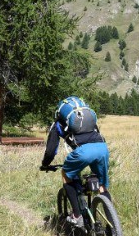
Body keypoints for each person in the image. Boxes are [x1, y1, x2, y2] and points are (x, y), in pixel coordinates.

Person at [40, 96, 109, 228]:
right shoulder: (88, 120)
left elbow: (50, 150)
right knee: (102, 186)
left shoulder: (59, 123)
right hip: (102, 149)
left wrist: (45, 164)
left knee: (66, 174)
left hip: (83, 152)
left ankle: (77, 216)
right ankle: (112, 225)